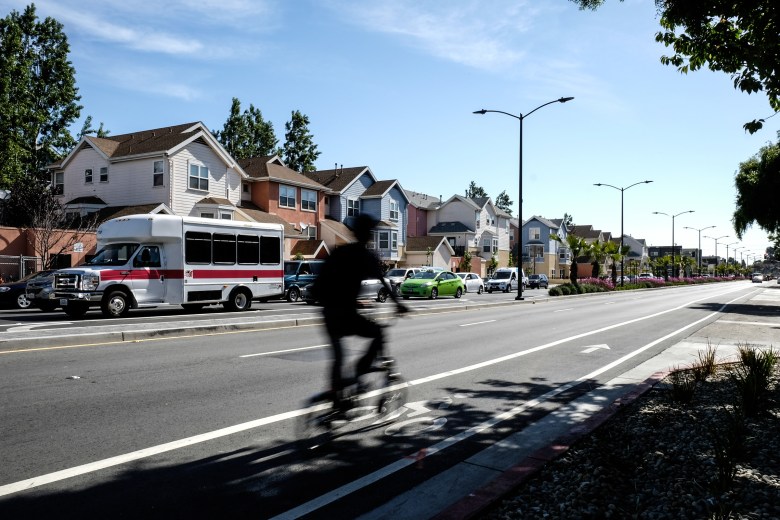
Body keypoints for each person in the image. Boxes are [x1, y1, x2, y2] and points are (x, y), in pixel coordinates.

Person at [313, 214, 408, 407]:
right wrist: (398, 304)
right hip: (345, 314)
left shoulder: (340, 251)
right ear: (368, 234)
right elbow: (383, 282)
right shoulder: (366, 255)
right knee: (378, 332)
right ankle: (359, 371)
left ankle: (336, 396)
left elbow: (330, 282)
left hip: (329, 313)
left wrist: (354, 301)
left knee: (338, 356)